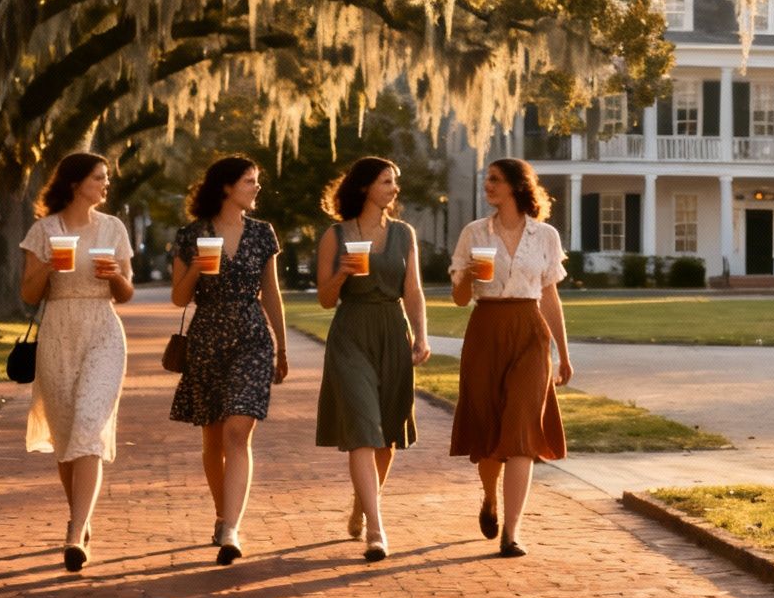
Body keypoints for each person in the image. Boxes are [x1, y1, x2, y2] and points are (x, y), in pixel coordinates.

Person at [448, 157, 573, 557]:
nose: (488, 184)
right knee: (488, 434)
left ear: (518, 187)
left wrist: (563, 354)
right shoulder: (473, 233)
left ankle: (513, 532)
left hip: (529, 333)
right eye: (487, 178)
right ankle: (490, 498)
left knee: (522, 434)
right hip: (485, 330)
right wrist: (466, 275)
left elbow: (550, 295)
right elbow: (459, 299)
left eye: (496, 180)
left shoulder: (546, 236)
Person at [17, 152, 134, 573]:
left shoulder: (113, 228)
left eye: (106, 178)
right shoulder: (43, 230)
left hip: (103, 330)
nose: (106, 184)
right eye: (99, 178)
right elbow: (29, 295)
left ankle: (74, 531)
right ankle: (79, 520)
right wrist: (47, 266)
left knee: (88, 429)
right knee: (67, 440)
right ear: (75, 183)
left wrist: (114, 277)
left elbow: (126, 293)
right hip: (58, 332)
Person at [170, 156, 288, 565]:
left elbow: (270, 293)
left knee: (239, 431)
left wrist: (283, 345)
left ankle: (232, 527)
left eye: (256, 181)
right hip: (208, 336)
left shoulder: (262, 234)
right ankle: (222, 516)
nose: (256, 188)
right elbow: (180, 298)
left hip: (252, 336)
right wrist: (197, 269)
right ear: (226, 188)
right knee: (214, 438)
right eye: (249, 182)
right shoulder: (192, 235)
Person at [315, 157, 433, 562]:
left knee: (387, 434)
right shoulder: (336, 235)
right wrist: (343, 272)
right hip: (351, 333)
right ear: (365, 187)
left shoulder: (404, 233)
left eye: (395, 182)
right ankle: (377, 530)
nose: (394, 189)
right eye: (387, 182)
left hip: (391, 332)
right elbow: (326, 299)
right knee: (364, 427)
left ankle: (362, 504)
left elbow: (413, 290)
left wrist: (422, 334)